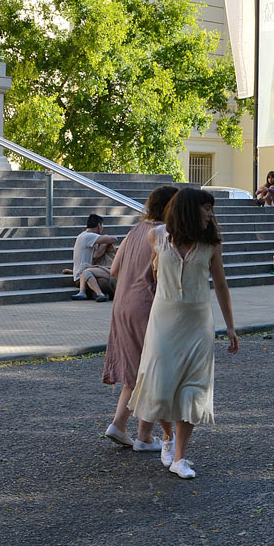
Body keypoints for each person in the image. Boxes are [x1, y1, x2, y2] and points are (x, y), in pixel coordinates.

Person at [128, 187, 238, 480]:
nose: (211, 214)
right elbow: (153, 272)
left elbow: (222, 284)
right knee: (159, 384)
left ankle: (180, 457)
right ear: (190, 211)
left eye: (212, 209)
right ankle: (166, 437)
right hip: (163, 320)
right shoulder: (157, 237)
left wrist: (229, 326)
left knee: (193, 387)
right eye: (206, 208)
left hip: (198, 322)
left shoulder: (211, 243)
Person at [102, 185, 178, 455]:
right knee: (151, 371)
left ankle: (118, 425)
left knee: (136, 371)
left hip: (121, 304)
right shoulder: (163, 235)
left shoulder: (134, 230)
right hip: (146, 306)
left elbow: (113, 270)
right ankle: (144, 436)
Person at [70, 214, 116, 302]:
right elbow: (114, 239)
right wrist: (106, 240)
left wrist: (71, 271)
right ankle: (98, 294)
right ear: (99, 225)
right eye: (102, 225)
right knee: (87, 271)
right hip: (81, 278)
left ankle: (90, 293)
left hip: (81, 275)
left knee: (86, 269)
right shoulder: (88, 236)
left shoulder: (83, 236)